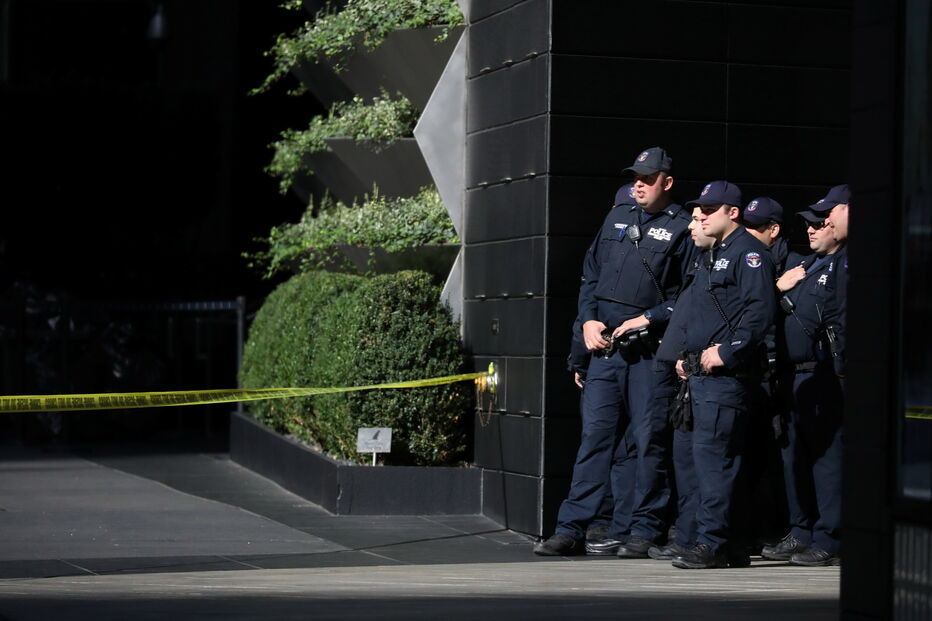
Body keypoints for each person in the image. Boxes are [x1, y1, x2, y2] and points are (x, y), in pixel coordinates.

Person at [534, 147, 695, 557]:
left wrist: (650, 318)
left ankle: (645, 529)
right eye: (635, 177)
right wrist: (587, 323)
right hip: (605, 353)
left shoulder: (681, 228)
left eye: (648, 177)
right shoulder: (617, 217)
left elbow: (688, 295)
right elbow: (590, 277)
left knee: (648, 442)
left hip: (647, 354)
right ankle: (571, 527)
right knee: (594, 439)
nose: (639, 184)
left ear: (667, 182)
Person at [671, 180, 776, 569]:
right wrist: (688, 355)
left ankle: (712, 542)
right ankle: (728, 543)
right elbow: (703, 315)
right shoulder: (713, 255)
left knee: (714, 461)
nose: (701, 215)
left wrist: (728, 354)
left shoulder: (749, 255)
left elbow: (759, 312)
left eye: (710, 210)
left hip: (724, 378)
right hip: (702, 374)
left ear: (733, 213)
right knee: (711, 462)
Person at [762, 187, 847, 567]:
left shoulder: (843, 264)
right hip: (791, 376)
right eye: (809, 224)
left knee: (826, 460)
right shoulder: (804, 267)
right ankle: (801, 530)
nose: (812, 229)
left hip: (825, 374)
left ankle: (830, 535)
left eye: (819, 223)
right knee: (793, 456)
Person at [563, 182, 638, 555]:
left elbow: (587, 305)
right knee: (620, 448)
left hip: (614, 360)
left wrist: (579, 361)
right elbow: (588, 305)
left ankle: (605, 524)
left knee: (608, 445)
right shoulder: (612, 243)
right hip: (611, 359)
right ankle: (613, 526)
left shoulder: (613, 244)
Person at [647, 205, 717, 561]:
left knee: (709, 464)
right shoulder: (701, 263)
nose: (693, 225)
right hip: (687, 374)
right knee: (686, 460)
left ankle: (708, 538)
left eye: (700, 217)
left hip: (716, 377)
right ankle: (688, 534)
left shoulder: (736, 261)